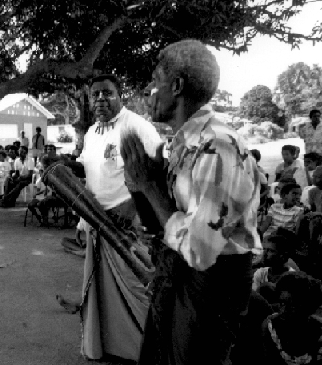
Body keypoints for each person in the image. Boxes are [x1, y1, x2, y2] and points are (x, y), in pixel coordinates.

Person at [119, 39, 262, 364]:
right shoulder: (184, 144)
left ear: (177, 85)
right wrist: (142, 187)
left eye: (155, 81)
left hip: (210, 287)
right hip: (180, 274)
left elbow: (199, 251)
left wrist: (150, 188)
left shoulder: (217, 146)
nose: (148, 90)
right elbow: (163, 225)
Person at [45, 73, 162, 361]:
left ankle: (153, 351)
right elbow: (88, 169)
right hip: (97, 219)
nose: (100, 99)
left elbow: (156, 172)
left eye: (107, 93)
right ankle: (114, 347)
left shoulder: (136, 127)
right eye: (95, 94)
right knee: (103, 289)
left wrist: (131, 207)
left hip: (127, 224)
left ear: (120, 95)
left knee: (139, 286)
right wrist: (62, 169)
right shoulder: (91, 133)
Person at [260, 271, 322, 365]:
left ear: (307, 307)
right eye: (282, 303)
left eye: (293, 306)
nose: (284, 310)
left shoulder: (318, 330)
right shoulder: (271, 327)